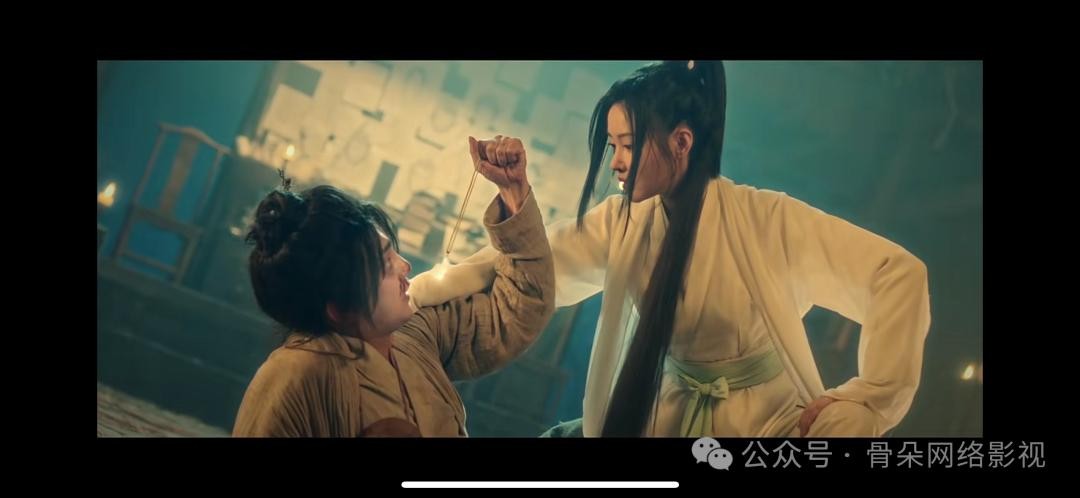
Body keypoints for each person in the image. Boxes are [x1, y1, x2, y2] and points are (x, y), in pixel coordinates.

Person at [408, 60, 931, 437]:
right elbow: (537, 267)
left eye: (629, 145)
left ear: (681, 142)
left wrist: (869, 398)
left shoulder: (768, 218)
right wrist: (426, 289)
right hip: (669, 406)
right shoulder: (624, 219)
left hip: (767, 419)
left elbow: (895, 273)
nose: (616, 161)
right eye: (612, 146)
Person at [233, 136, 555, 437]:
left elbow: (512, 313)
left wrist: (513, 191)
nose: (405, 267)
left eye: (393, 253)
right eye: (386, 265)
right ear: (339, 308)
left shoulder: (414, 332)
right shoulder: (292, 376)